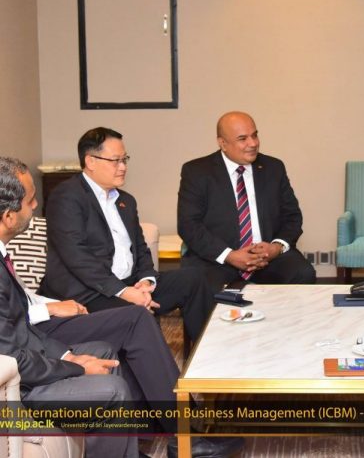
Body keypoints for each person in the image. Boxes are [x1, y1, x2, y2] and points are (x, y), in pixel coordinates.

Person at [0, 156, 137, 457]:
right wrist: (76, 367)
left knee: (103, 351)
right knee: (115, 390)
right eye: (30, 201)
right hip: (18, 387)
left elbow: (22, 328)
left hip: (26, 364)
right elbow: (13, 357)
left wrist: (68, 355)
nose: (36, 206)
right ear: (8, 216)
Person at [39, 128, 214, 342]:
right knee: (139, 314)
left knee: (194, 279)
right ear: (91, 161)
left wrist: (146, 281)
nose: (123, 167)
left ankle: (204, 356)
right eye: (115, 161)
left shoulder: (126, 201)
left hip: (129, 284)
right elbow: (77, 257)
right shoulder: (67, 196)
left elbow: (140, 248)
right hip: (89, 293)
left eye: (124, 159)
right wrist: (125, 292)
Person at [177, 111, 316, 288]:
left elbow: (292, 217)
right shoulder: (197, 172)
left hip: (267, 259)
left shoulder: (273, 168)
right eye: (243, 139)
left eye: (255, 135)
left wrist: (276, 247)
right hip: (218, 259)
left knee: (302, 273)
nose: (253, 143)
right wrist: (229, 255)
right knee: (199, 283)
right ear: (223, 143)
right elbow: (188, 225)